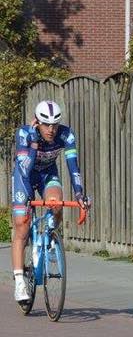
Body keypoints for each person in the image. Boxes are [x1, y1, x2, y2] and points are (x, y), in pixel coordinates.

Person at [10, 101, 89, 302]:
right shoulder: (24, 133)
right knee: (22, 226)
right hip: (24, 178)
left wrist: (79, 194)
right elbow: (24, 169)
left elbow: (73, 167)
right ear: (37, 122)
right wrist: (34, 143)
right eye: (46, 124)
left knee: (57, 203)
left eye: (55, 124)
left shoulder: (66, 135)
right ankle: (19, 282)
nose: (51, 129)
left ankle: (49, 239)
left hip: (47, 174)